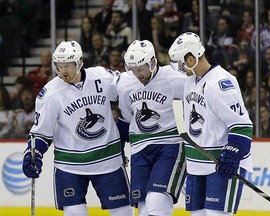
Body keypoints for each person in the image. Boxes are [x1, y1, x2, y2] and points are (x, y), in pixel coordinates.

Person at [22, 41, 133, 216]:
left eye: (67, 66)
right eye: (59, 66)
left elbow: (129, 89)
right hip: (70, 165)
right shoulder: (50, 93)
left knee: (123, 212)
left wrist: (126, 121)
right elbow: (42, 132)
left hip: (107, 160)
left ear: (79, 62)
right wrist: (33, 152)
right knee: (75, 213)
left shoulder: (102, 77)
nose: (63, 71)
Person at [169, 32, 253, 216]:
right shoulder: (190, 80)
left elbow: (242, 125)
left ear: (191, 59)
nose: (178, 67)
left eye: (180, 62)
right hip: (196, 164)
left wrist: (232, 155)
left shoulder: (221, 82)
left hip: (220, 164)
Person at [117, 40, 186, 216]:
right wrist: (119, 146)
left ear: (153, 62)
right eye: (133, 69)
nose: (137, 74)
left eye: (141, 69)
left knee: (157, 201)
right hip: (139, 148)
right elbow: (126, 117)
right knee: (143, 207)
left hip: (170, 145)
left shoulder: (175, 78)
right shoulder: (125, 83)